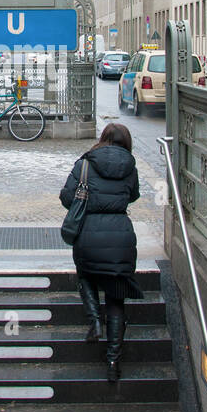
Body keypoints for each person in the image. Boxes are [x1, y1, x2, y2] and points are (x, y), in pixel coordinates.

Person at [59, 122, 142, 382]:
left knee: (86, 274)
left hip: (88, 233)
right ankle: (113, 361)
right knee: (116, 297)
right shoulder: (130, 166)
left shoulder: (85, 164)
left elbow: (66, 197)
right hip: (121, 234)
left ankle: (95, 320)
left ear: (103, 138)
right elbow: (134, 196)